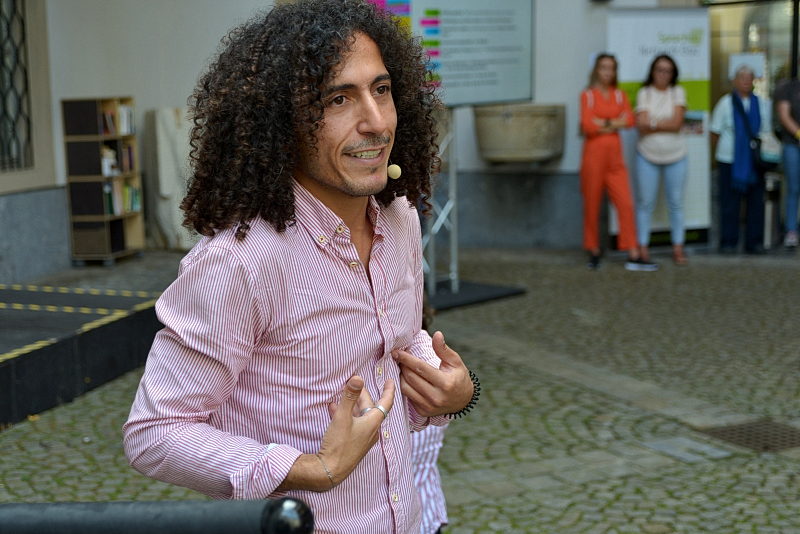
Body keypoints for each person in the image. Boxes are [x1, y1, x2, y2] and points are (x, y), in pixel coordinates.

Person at [122, 2, 479, 533]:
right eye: (339, 99)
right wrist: (311, 469)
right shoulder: (239, 261)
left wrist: (454, 392)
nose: (377, 122)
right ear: (282, 122)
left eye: (381, 90)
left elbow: (394, 351)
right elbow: (154, 432)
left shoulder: (399, 218)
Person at [580, 53, 654, 271]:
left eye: (611, 68)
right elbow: (588, 126)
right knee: (592, 204)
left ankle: (632, 251)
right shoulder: (588, 96)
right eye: (603, 67)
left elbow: (629, 120)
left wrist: (603, 122)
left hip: (615, 160)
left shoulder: (620, 96)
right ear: (596, 70)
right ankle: (593, 249)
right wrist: (614, 122)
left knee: (626, 203)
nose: (607, 72)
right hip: (593, 158)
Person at [709, 65, 772, 254]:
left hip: (754, 161)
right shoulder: (725, 103)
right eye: (742, 77)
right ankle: (728, 241)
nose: (745, 81)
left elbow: (766, 132)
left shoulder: (761, 103)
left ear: (753, 81)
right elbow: (714, 133)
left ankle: (754, 242)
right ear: (734, 81)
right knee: (730, 203)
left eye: (749, 78)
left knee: (756, 203)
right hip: (729, 160)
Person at [634, 54, 689, 266]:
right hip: (646, 155)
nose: (663, 74)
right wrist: (663, 123)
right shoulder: (644, 93)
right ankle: (642, 248)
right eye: (659, 70)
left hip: (676, 155)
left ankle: (678, 248)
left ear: (673, 74)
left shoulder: (678, 92)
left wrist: (653, 123)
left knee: (675, 203)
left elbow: (676, 124)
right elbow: (641, 124)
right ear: (652, 71)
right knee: (645, 203)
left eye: (668, 71)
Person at [774, 77, 800, 248]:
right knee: (793, 188)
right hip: (792, 145)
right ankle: (791, 230)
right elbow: (784, 115)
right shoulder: (788, 87)